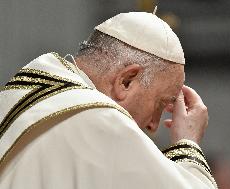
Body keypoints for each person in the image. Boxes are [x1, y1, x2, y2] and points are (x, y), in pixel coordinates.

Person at [0, 11, 217, 188]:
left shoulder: (23, 93)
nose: (153, 125)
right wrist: (188, 144)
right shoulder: (101, 123)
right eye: (160, 104)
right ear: (126, 81)